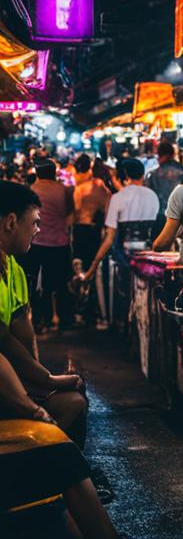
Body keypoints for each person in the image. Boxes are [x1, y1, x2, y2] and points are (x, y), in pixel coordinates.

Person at [0, 182, 87, 446]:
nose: (37, 231)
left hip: (12, 382)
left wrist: (42, 384)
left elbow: (20, 334)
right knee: (68, 404)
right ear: (11, 222)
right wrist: (33, 405)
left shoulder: (13, 268)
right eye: (35, 223)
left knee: (74, 398)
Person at [76, 159, 159, 294]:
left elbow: (109, 239)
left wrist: (92, 268)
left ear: (125, 176)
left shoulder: (118, 198)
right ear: (142, 175)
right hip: (148, 259)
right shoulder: (153, 196)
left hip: (124, 259)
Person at [21, 159, 75, 331]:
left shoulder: (31, 190)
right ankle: (65, 319)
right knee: (60, 283)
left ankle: (39, 319)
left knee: (35, 282)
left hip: (36, 242)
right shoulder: (64, 190)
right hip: (59, 242)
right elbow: (70, 212)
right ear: (53, 173)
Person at [72, 155, 111, 328]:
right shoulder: (106, 192)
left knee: (79, 268)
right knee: (93, 270)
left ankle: (79, 308)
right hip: (95, 232)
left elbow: (76, 209)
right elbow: (107, 216)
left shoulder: (80, 188)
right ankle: (91, 310)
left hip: (80, 229)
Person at [143, 141, 183, 227]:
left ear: (159, 156)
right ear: (173, 154)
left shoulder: (152, 175)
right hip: (182, 216)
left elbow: (148, 198)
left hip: (160, 216)